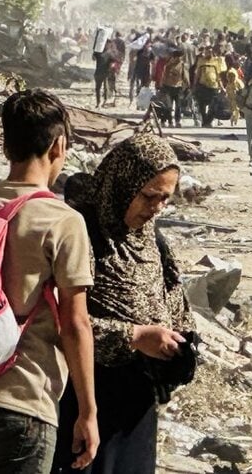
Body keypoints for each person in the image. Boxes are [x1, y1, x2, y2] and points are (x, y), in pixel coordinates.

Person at [0, 90, 98, 473]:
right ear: (59, 145)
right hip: (23, 402)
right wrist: (88, 411)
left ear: (6, 146)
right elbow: (75, 323)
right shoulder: (63, 220)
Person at [55, 134, 194, 473]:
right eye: (148, 196)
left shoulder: (151, 241)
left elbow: (176, 301)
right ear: (122, 183)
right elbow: (60, 321)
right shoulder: (81, 232)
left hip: (137, 406)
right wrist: (132, 336)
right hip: (84, 396)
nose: (156, 207)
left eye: (165, 199)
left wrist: (182, 345)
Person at [193, 45, 226, 127]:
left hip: (214, 86)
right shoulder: (201, 61)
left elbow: (218, 76)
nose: (209, 53)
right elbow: (197, 74)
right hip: (202, 86)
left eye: (211, 52)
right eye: (208, 52)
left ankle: (208, 120)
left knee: (214, 105)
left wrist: (222, 87)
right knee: (201, 106)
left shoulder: (216, 61)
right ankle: (204, 121)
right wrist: (194, 85)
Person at [159, 49, 189, 128]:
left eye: (180, 57)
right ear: (174, 57)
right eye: (177, 57)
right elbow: (164, 76)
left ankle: (177, 121)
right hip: (168, 87)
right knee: (168, 106)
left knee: (178, 106)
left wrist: (188, 85)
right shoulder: (168, 65)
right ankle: (169, 121)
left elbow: (185, 76)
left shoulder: (182, 65)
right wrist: (161, 86)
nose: (179, 59)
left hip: (178, 88)